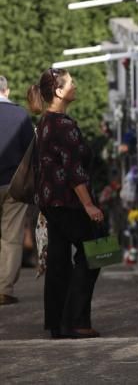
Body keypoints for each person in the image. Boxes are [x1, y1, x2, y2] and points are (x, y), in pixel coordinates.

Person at [27, 68, 104, 339]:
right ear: (59, 91)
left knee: (59, 260)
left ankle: (57, 323)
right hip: (70, 202)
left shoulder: (46, 122)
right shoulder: (64, 125)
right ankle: (76, 320)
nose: (75, 85)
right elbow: (74, 171)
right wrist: (89, 205)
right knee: (95, 251)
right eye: (71, 82)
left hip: (50, 202)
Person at [0, 75, 35, 305]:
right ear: (7, 91)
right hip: (13, 184)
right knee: (11, 237)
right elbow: (32, 150)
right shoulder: (20, 114)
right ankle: (4, 289)